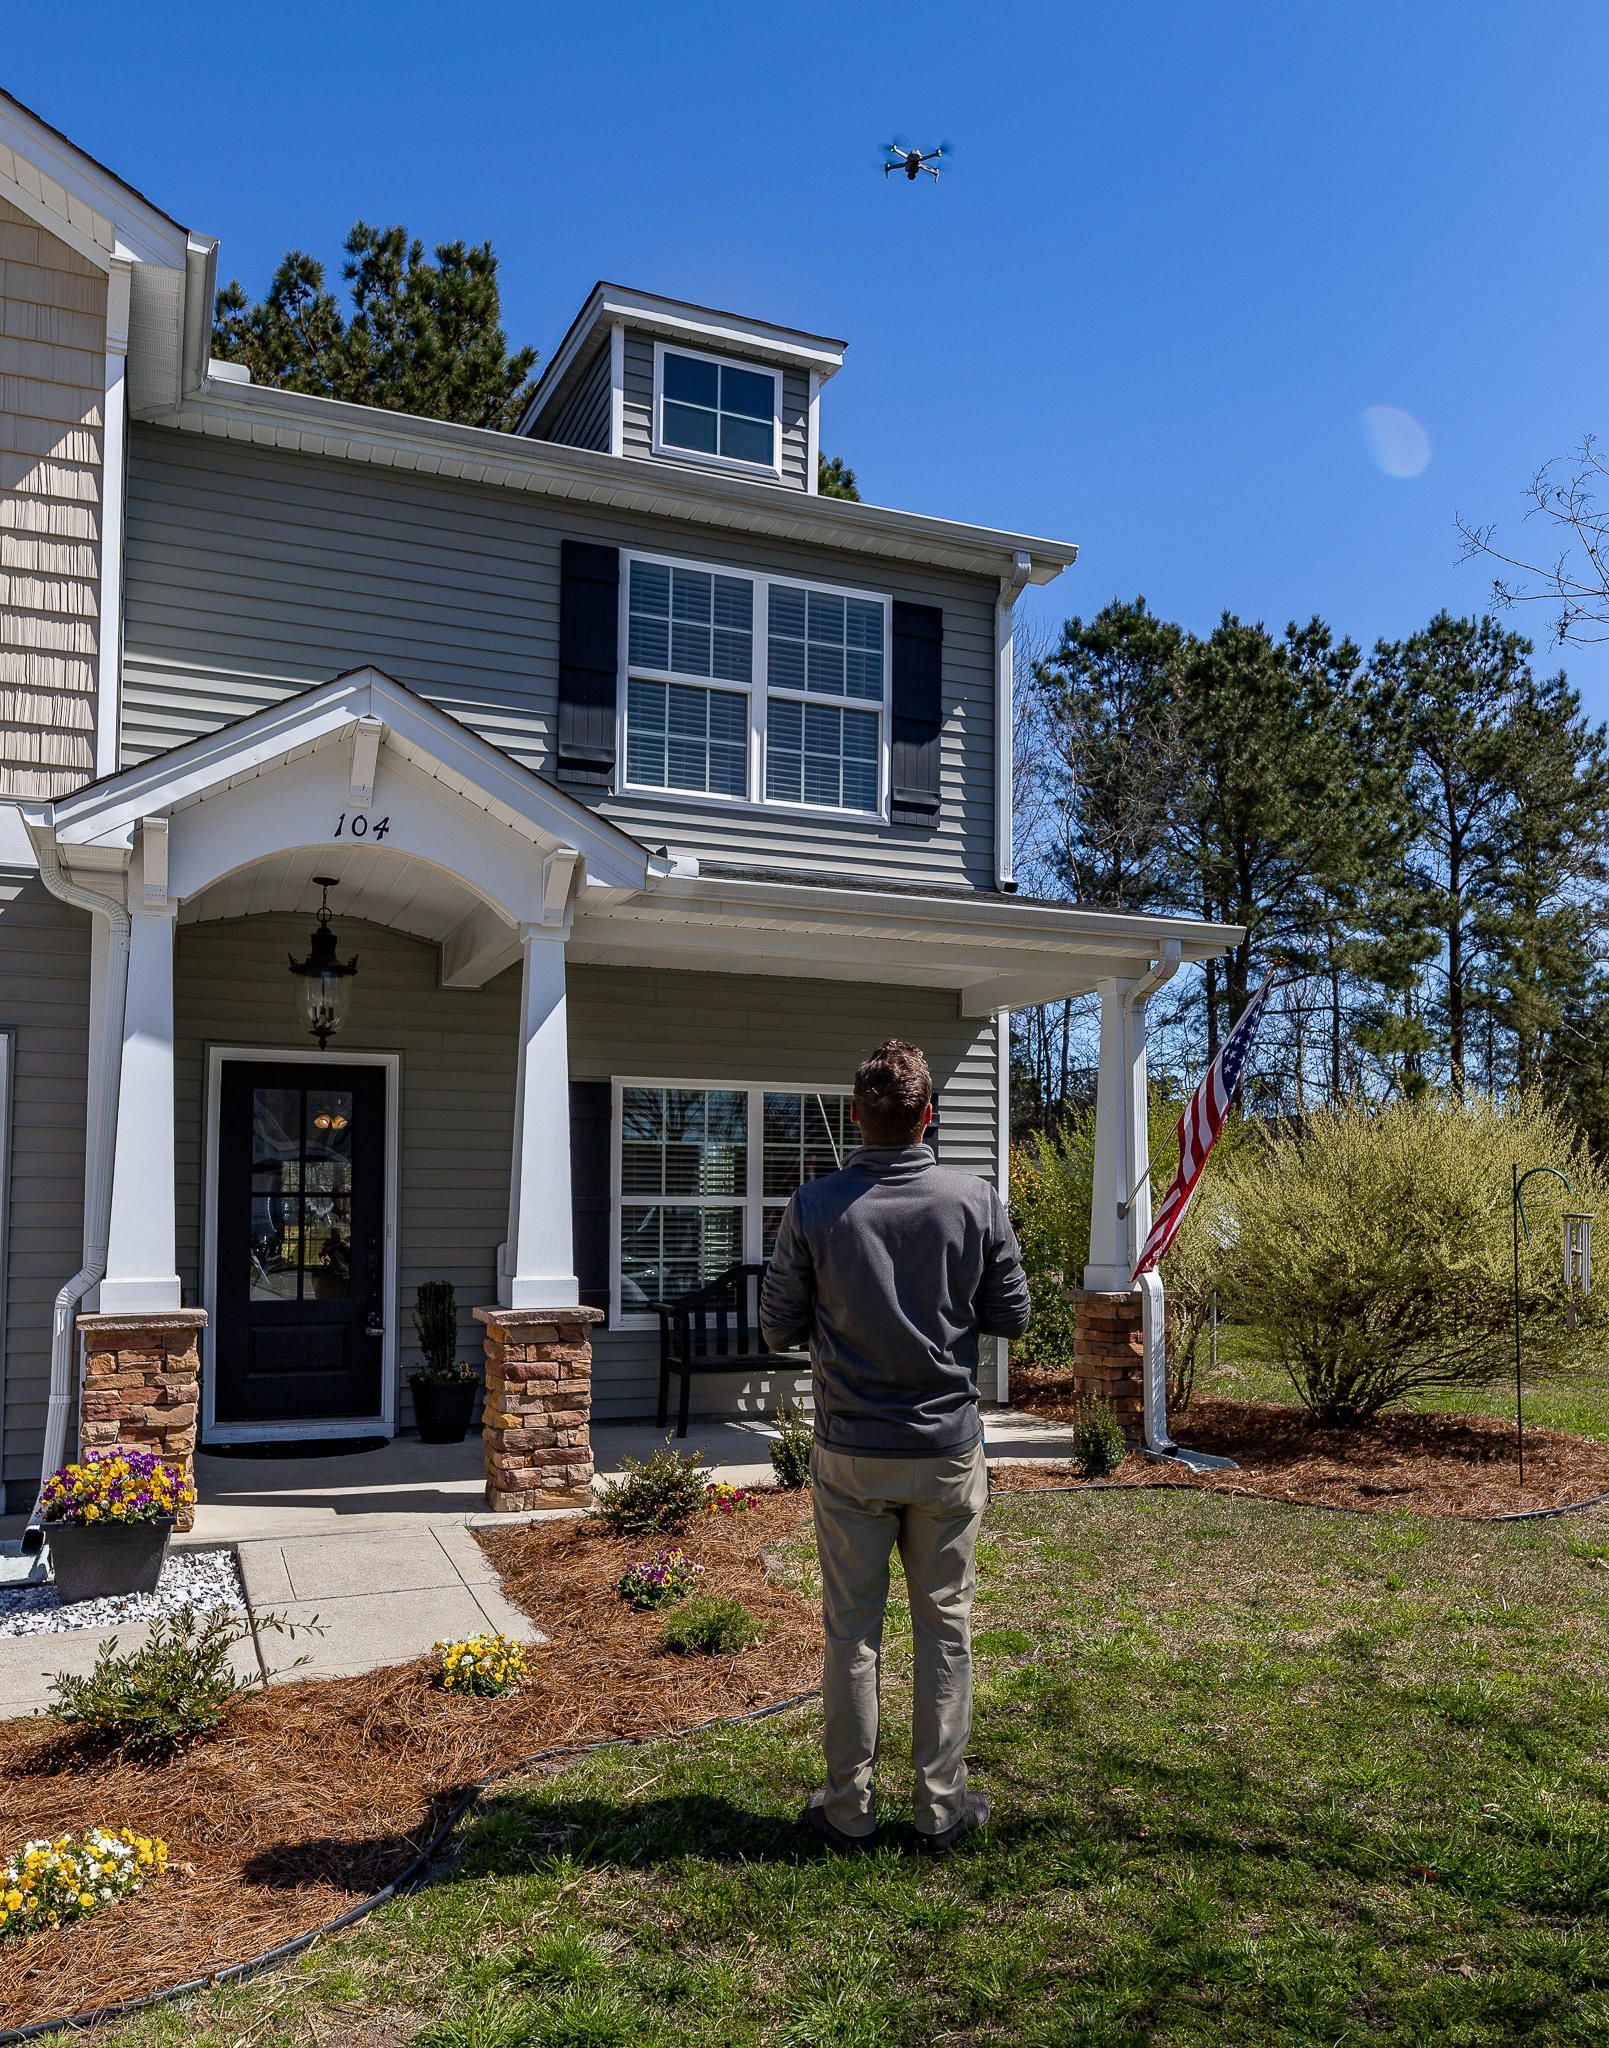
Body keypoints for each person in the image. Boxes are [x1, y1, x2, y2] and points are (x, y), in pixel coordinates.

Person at [760, 1038, 1031, 1853]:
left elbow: (776, 1324)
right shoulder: (973, 1199)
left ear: (855, 1116)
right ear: (928, 1116)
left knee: (851, 1630)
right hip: (945, 1447)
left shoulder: (815, 1206)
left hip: (850, 1449)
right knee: (943, 1625)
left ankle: (847, 1810)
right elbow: (1011, 1315)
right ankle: (939, 1809)